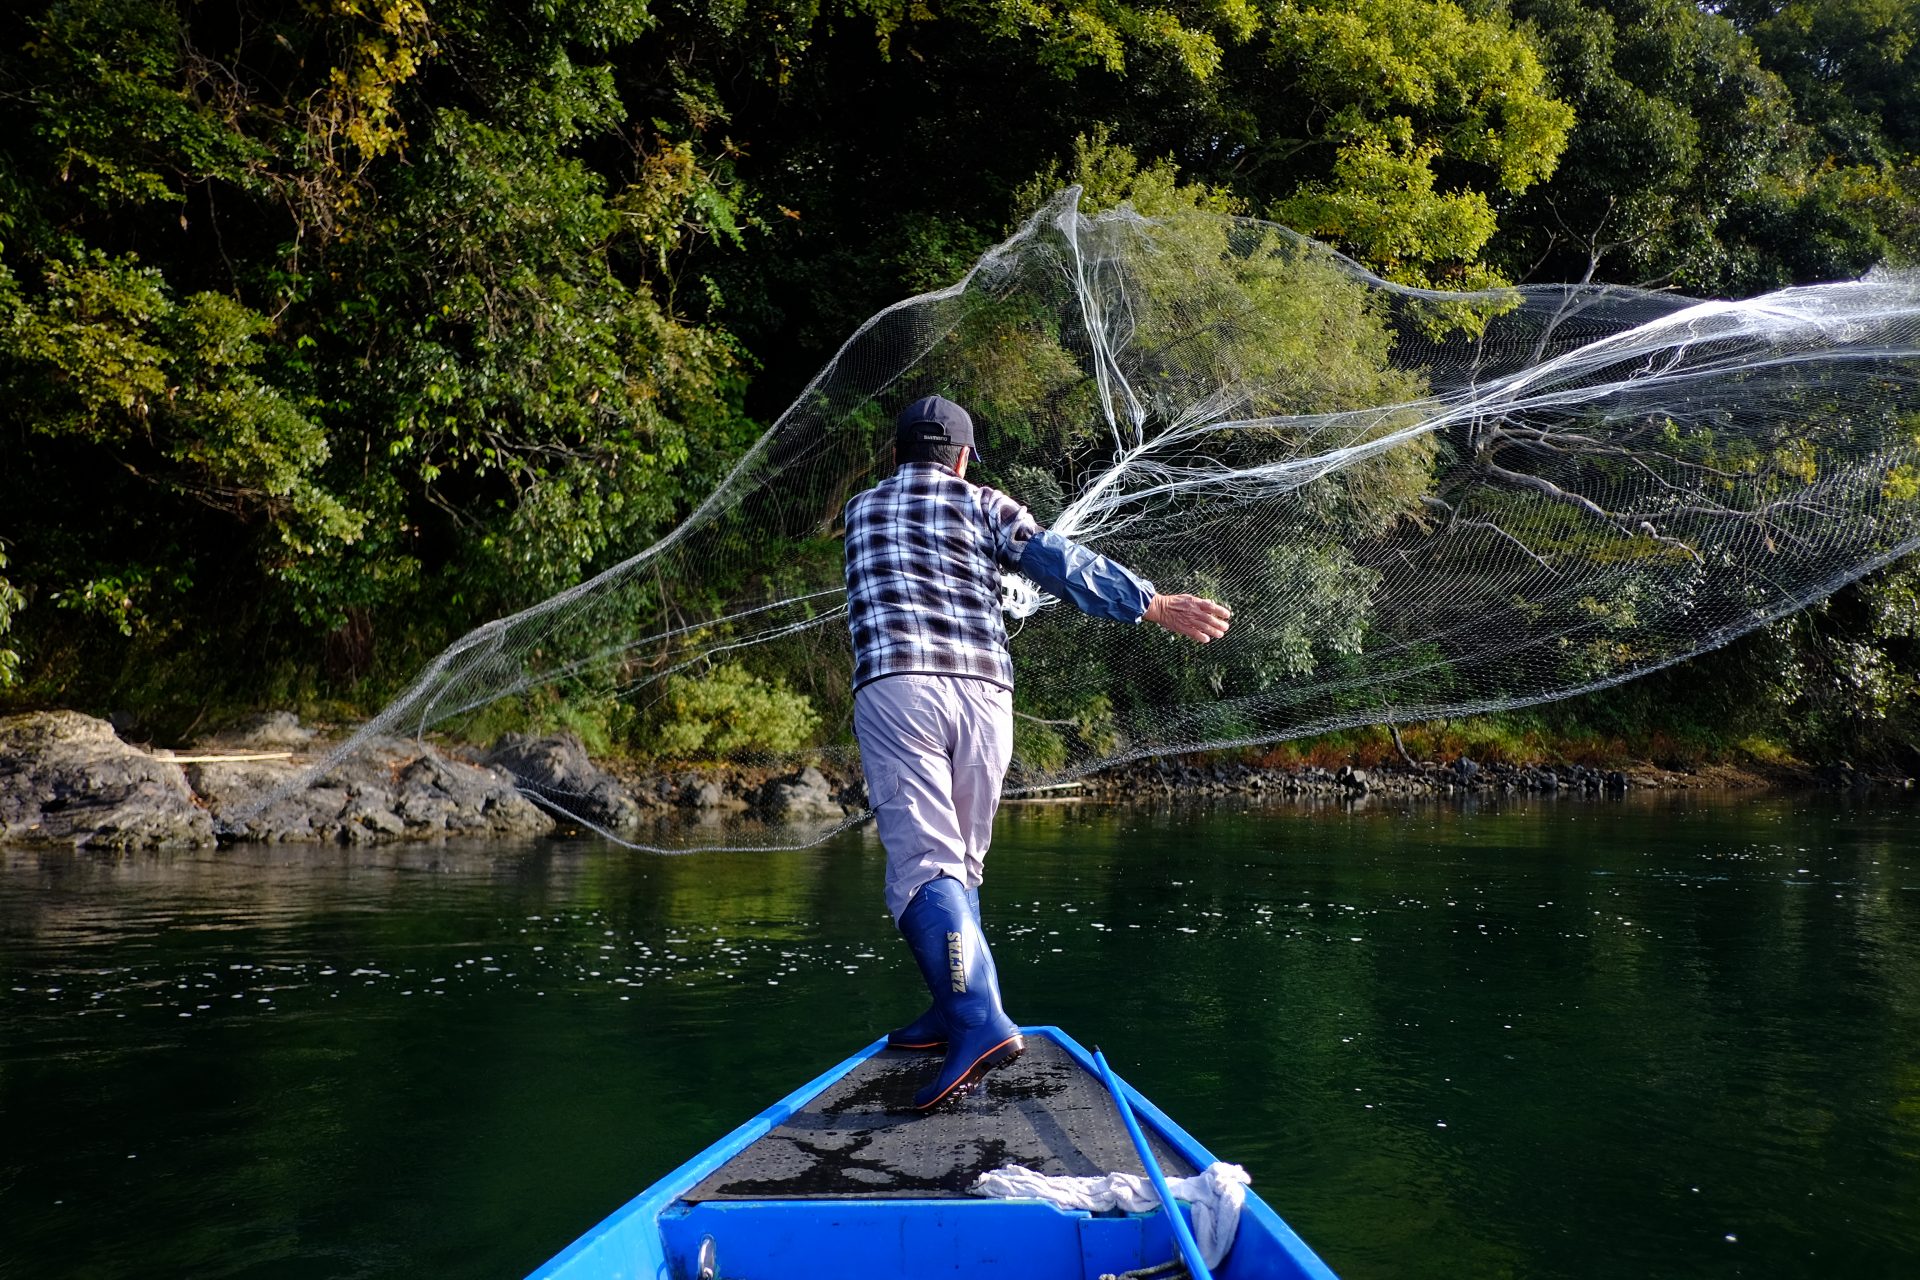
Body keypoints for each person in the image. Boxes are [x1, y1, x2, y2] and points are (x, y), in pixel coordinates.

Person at [844, 394, 1232, 1110]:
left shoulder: (861, 511)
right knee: (958, 865)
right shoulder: (985, 503)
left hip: (901, 692)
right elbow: (1058, 561)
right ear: (961, 459)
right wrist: (1149, 603)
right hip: (986, 697)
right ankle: (953, 1005)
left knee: (928, 866)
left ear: (897, 454)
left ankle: (978, 1020)